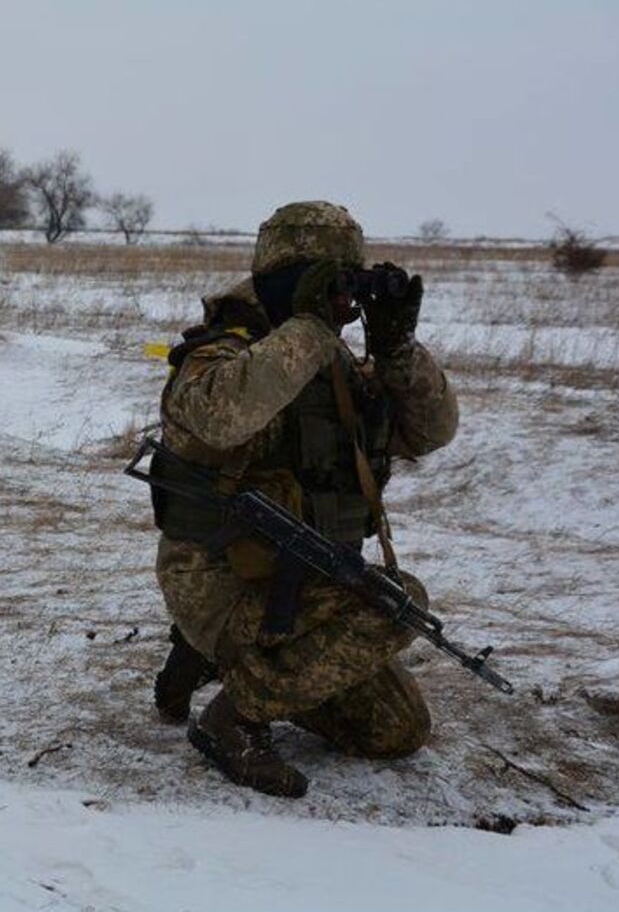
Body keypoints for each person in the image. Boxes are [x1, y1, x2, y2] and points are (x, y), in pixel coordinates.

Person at [148, 201, 459, 797]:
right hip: (221, 581)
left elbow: (432, 431)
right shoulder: (220, 353)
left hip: (305, 583)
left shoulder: (332, 366)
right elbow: (217, 417)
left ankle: (235, 667)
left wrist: (398, 349)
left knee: (397, 730)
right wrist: (310, 328)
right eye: (330, 283)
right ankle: (233, 717)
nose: (342, 301)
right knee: (398, 604)